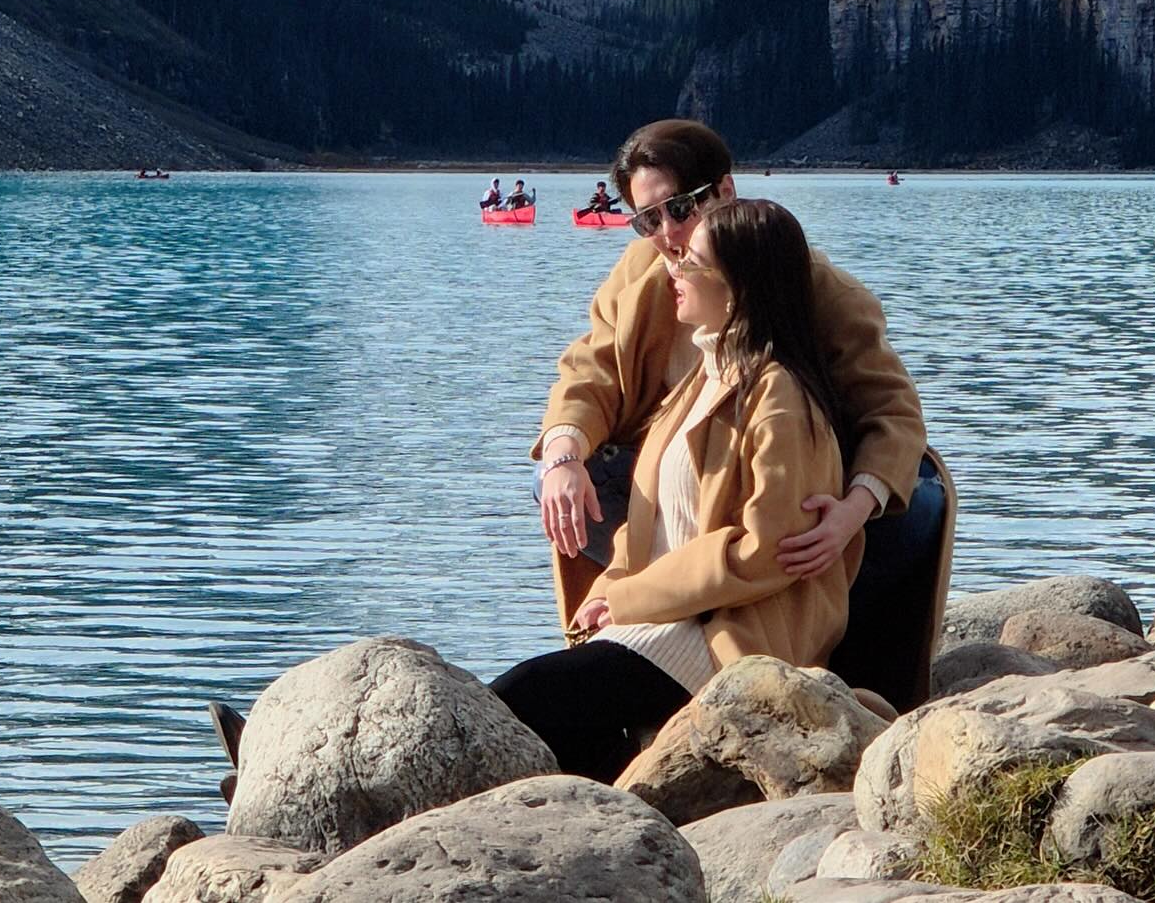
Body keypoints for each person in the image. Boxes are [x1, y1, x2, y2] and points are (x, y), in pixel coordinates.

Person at [205, 202, 848, 795]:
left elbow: (764, 552)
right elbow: (652, 518)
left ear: (737, 287)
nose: (670, 262)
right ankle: (304, 786)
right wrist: (614, 581)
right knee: (567, 740)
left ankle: (310, 791)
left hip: (722, 638)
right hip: (663, 620)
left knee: (522, 694)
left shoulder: (778, 396)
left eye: (691, 259)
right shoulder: (704, 379)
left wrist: (626, 596)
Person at [534, 117, 952, 711]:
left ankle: (859, 675)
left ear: (725, 192)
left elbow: (895, 413)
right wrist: (563, 454)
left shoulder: (814, 288)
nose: (667, 236)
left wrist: (851, 512)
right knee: (558, 480)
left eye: (679, 210)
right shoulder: (640, 274)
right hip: (676, 485)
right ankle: (622, 621)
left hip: (784, 494)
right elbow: (589, 371)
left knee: (920, 499)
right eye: (647, 220)